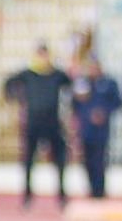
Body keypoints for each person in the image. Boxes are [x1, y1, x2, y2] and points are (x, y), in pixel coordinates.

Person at [5, 43, 73, 210]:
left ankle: (62, 197)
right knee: (28, 160)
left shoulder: (57, 74)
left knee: (59, 160)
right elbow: (8, 84)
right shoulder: (28, 74)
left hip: (53, 122)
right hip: (33, 122)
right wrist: (16, 98)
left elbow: (73, 85)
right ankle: (27, 197)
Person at [72, 56, 122, 200]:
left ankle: (100, 191)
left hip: (101, 132)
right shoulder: (82, 83)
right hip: (85, 130)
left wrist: (104, 112)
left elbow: (119, 103)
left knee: (100, 161)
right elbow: (74, 104)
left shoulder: (109, 83)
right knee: (87, 161)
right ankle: (91, 189)